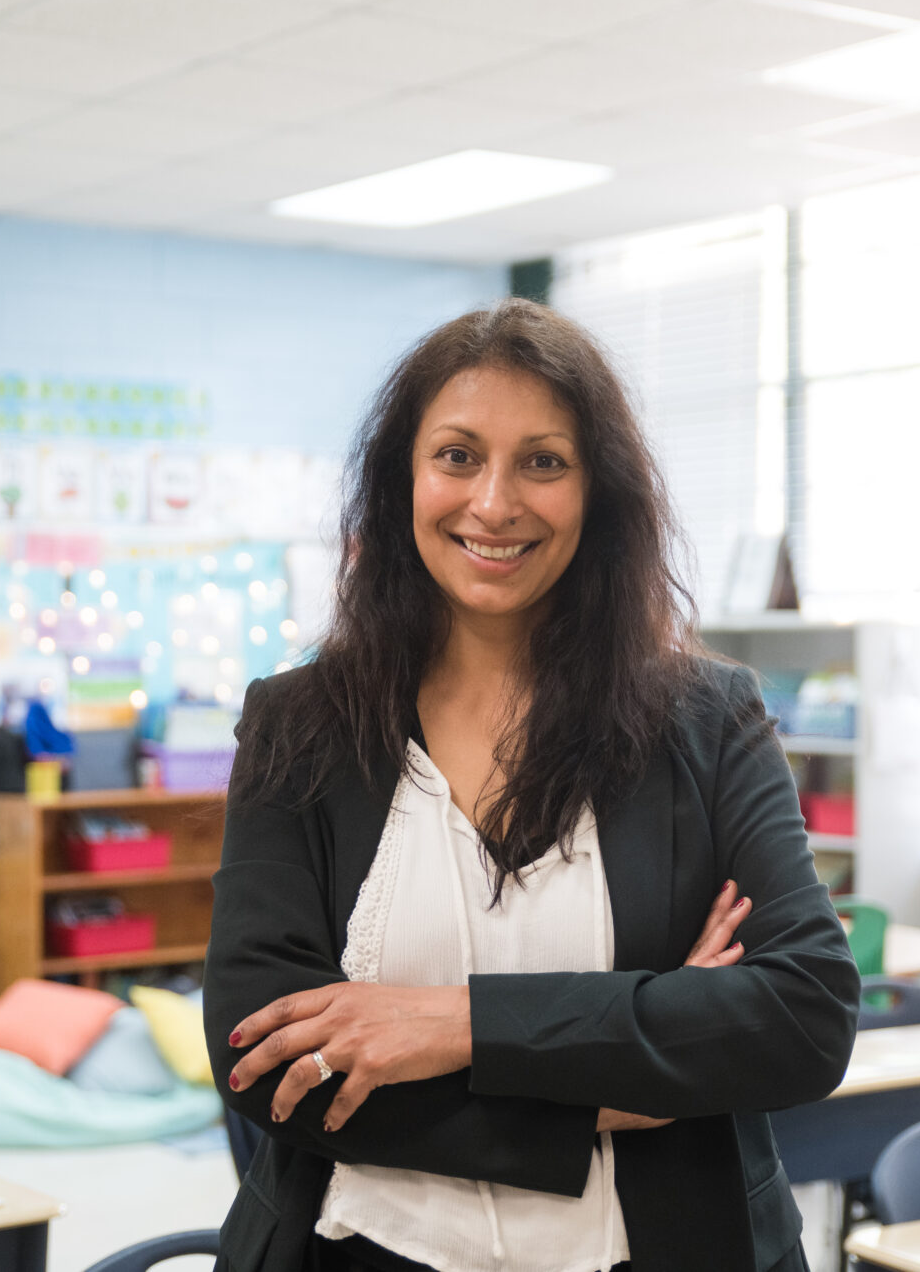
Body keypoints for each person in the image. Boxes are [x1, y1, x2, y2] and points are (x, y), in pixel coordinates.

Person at [205, 299, 859, 1272]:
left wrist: (452, 1023)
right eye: (457, 455)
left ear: (599, 491)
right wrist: (611, 1088)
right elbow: (260, 1058)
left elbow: (803, 1016)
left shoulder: (707, 720)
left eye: (543, 462)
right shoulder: (297, 723)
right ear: (401, 478)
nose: (494, 502)